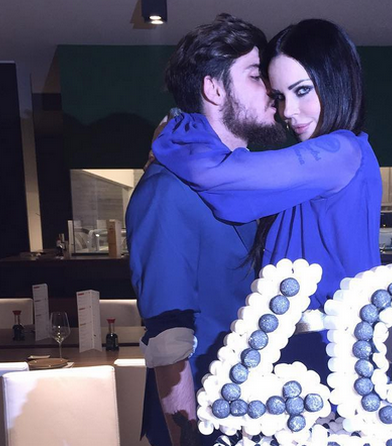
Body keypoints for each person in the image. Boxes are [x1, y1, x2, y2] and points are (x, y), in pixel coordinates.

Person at [152, 19, 382, 380]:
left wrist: (174, 132)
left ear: (336, 80)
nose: (287, 111)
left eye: (302, 90)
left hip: (327, 350)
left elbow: (222, 179)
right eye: (280, 96)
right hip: (306, 348)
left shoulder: (342, 151)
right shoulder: (322, 163)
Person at [126, 14, 287, 446]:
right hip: (204, 420)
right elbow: (169, 338)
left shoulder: (251, 180)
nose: (272, 90)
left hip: (257, 412)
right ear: (214, 89)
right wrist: (189, 437)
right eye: (255, 75)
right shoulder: (166, 190)